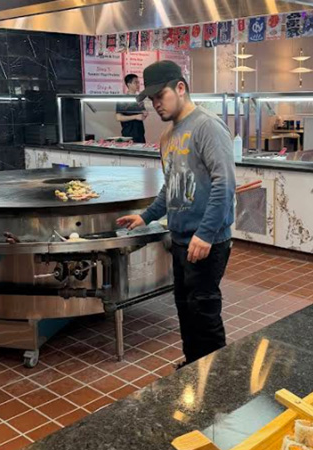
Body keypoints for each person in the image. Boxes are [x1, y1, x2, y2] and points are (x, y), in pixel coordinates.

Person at [116, 61, 236, 368]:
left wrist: (205, 234)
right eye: (151, 99)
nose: (156, 104)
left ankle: (216, 380)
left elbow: (225, 185)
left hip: (207, 241)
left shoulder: (208, 126)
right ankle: (192, 369)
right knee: (185, 308)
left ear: (180, 88)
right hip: (181, 239)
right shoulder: (168, 136)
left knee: (204, 313)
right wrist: (146, 217)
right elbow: (171, 187)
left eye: (161, 96)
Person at [115, 74, 148, 143]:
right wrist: (135, 117)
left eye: (138, 82)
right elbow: (118, 117)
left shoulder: (139, 99)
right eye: (135, 82)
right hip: (128, 134)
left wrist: (145, 114)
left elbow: (142, 114)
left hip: (140, 133)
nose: (138, 85)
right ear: (129, 84)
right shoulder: (122, 99)